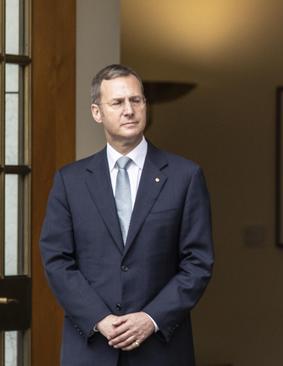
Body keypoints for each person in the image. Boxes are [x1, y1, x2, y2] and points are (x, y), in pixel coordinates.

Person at [39, 64, 214, 365]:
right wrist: (99, 318)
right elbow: (57, 259)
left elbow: (197, 263)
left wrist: (150, 318)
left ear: (146, 106)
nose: (129, 110)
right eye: (117, 102)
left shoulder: (185, 176)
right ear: (97, 112)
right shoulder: (70, 181)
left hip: (161, 349)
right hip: (91, 348)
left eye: (136, 100)